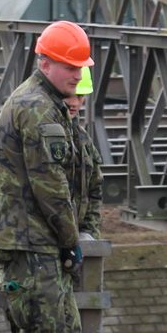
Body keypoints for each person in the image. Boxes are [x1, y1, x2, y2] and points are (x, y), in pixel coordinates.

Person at [0, 19, 91, 333]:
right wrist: (71, 239)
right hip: (30, 243)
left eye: (80, 68)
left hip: (33, 241)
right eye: (69, 67)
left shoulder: (44, 102)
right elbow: (50, 183)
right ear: (45, 63)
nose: (77, 75)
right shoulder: (37, 107)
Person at [65, 66, 103, 241]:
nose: (73, 102)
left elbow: (94, 188)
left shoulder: (84, 140)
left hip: (77, 236)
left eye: (79, 96)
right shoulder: (40, 131)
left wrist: (88, 232)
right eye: (69, 95)